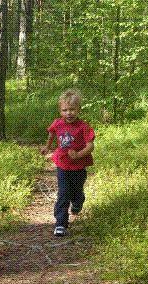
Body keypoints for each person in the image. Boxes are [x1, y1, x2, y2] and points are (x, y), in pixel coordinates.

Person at [41, 90, 95, 236]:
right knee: (63, 193)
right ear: (60, 110)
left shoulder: (83, 127)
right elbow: (51, 133)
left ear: (78, 110)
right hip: (63, 164)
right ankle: (60, 223)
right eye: (65, 110)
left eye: (72, 110)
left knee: (76, 192)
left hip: (78, 166)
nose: (68, 113)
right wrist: (47, 147)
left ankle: (78, 201)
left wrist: (78, 154)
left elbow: (90, 146)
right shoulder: (57, 123)